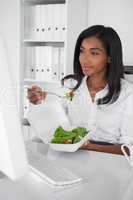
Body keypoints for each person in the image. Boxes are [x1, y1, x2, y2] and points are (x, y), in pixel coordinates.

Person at [27, 25, 133, 155]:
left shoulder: (128, 93)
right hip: (69, 157)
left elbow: (128, 149)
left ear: (110, 57)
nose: (84, 59)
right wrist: (38, 100)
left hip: (109, 162)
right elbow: (51, 120)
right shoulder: (70, 85)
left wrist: (88, 146)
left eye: (94, 53)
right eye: (82, 51)